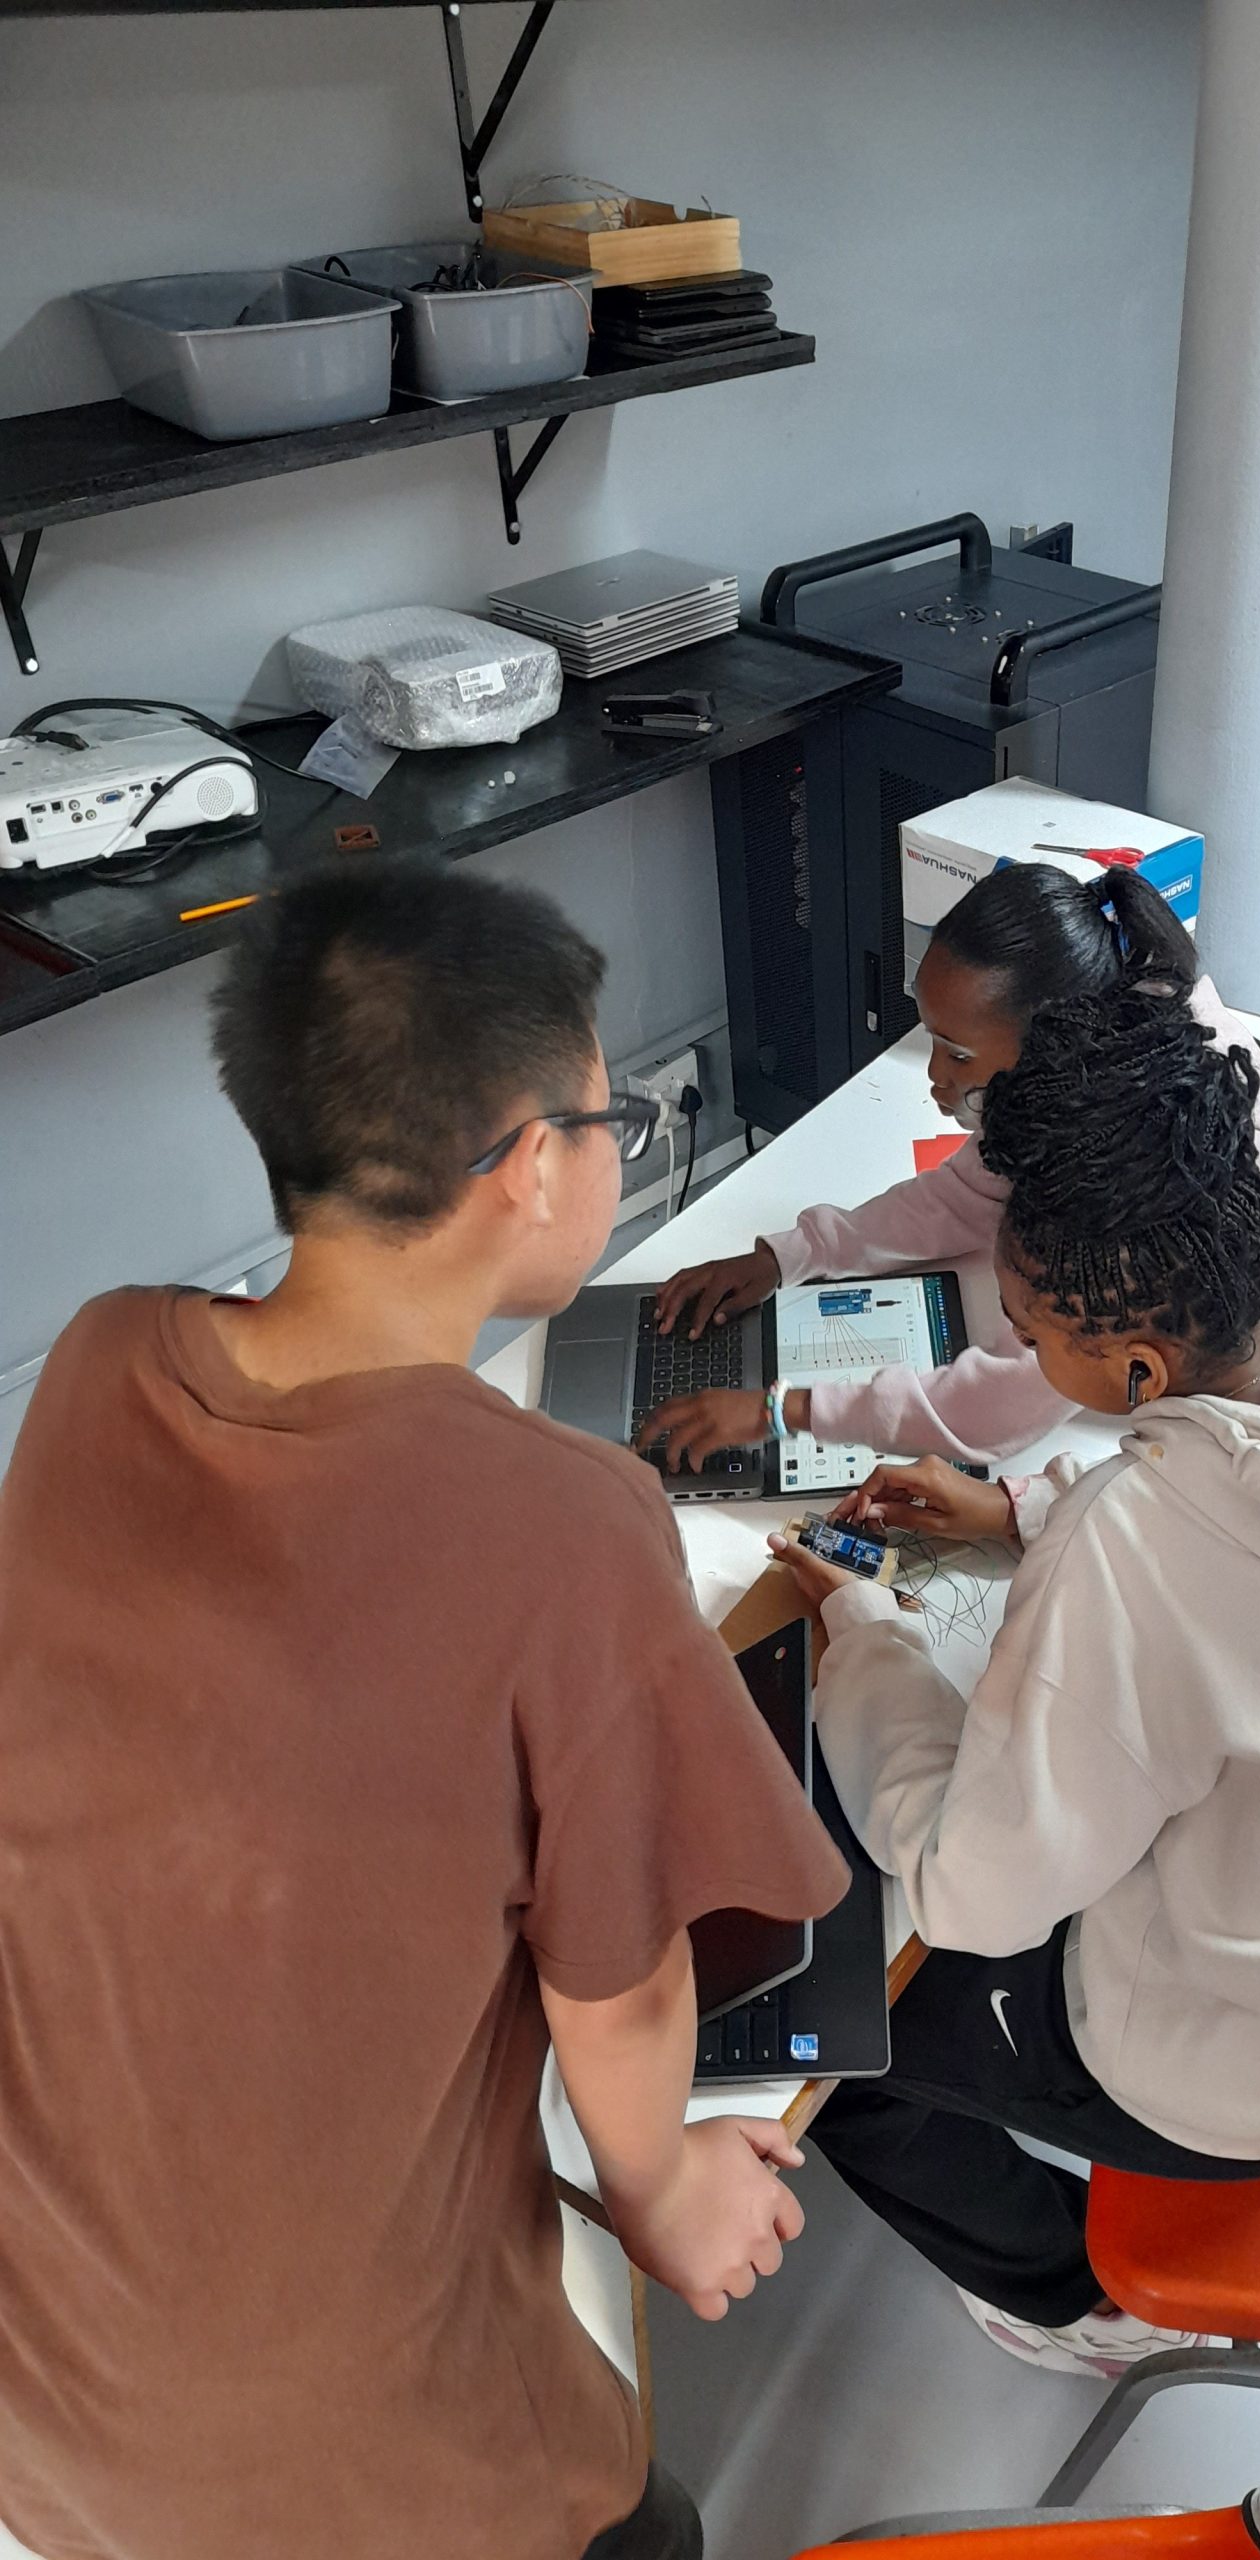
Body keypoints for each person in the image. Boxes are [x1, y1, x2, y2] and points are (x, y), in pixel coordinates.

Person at [0, 866, 848, 2560]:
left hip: (47, 2389)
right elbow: (621, 1994)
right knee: (644, 2526)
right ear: (531, 1165)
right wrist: (668, 2194)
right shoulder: (568, 1524)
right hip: (349, 2459)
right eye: (612, 1121)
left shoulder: (100, 1362)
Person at [768, 989, 1260, 2376]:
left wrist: (867, 1641)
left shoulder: (1129, 1554)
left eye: (1032, 1333)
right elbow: (1228, 1541)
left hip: (1252, 2072)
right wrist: (1018, 1511)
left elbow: (973, 1891)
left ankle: (1075, 2301)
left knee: (826, 2041)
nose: (1022, 1352)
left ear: (1138, 1366)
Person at [646, 862, 1260, 1821]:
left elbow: (1004, 1405)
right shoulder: (1121, 1061)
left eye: (958, 1053)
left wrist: (786, 1408)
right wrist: (793, 1252)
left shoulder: (1143, 1173)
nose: (934, 1078)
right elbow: (968, 1191)